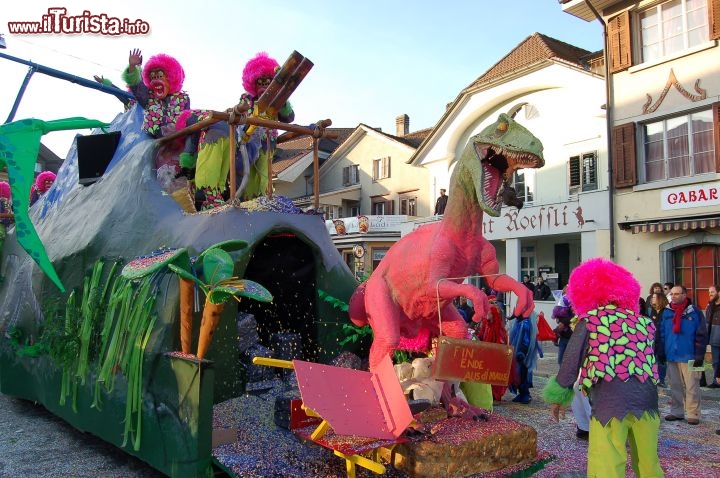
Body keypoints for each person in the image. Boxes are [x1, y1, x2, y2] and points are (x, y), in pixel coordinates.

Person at [543, 258, 663, 478]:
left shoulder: (590, 320)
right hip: (647, 401)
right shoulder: (644, 322)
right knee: (648, 463)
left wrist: (558, 397)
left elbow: (571, 362)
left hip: (610, 402)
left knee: (607, 459)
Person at [656, 285, 707, 425]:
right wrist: (661, 351)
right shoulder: (666, 312)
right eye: (672, 294)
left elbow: (702, 335)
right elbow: (661, 334)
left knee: (692, 386)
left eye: (677, 294)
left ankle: (693, 413)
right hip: (671, 355)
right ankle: (677, 411)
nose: (674, 296)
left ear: (685, 295)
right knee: (675, 385)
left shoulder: (694, 312)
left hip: (692, 355)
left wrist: (700, 355)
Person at [121, 48, 190, 138]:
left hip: (178, 138)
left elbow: (187, 118)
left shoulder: (183, 98)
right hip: (153, 140)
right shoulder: (149, 96)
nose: (156, 78)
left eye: (160, 75)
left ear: (171, 77)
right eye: (152, 76)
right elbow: (136, 85)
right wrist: (132, 67)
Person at [649, 292, 669, 387]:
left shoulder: (666, 311)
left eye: (654, 297)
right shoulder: (652, 310)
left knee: (661, 360)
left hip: (662, 338)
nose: (652, 299)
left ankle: (661, 379)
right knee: (653, 359)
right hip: (653, 338)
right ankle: (654, 378)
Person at [552, 288, 574, 364]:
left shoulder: (575, 303)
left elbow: (574, 317)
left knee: (569, 361)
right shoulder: (563, 302)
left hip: (571, 336)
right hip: (563, 337)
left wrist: (562, 322)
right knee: (560, 360)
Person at [705, 285, 720, 389]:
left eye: (712, 292)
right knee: (715, 362)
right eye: (709, 292)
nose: (710, 294)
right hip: (714, 338)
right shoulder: (710, 306)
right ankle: (716, 381)